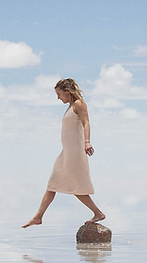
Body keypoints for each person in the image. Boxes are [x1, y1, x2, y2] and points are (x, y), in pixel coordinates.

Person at [23, 78, 105, 228]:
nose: (58, 98)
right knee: (53, 184)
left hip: (75, 152)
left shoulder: (79, 104)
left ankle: (98, 214)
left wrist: (87, 141)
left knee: (75, 186)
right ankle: (38, 217)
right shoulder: (70, 106)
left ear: (67, 92)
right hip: (66, 152)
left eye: (59, 94)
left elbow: (86, 123)